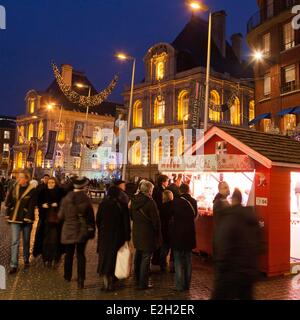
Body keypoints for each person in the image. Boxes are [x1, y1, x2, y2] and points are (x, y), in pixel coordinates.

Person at [212, 189, 261, 300]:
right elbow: (259, 244)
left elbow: (223, 245)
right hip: (249, 271)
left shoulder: (229, 218)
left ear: (233, 200)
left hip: (231, 271)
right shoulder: (252, 217)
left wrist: (220, 265)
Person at [58, 177, 95, 289]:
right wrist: (92, 230)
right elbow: (90, 218)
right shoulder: (86, 200)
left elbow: (60, 216)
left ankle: (67, 276)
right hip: (81, 231)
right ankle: (80, 280)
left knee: (69, 255)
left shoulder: (66, 199)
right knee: (80, 255)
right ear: (84, 187)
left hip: (68, 230)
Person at [96, 186, 131, 291]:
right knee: (114, 258)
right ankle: (112, 279)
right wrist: (127, 237)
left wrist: (102, 229)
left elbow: (98, 220)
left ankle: (105, 279)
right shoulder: (122, 205)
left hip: (105, 235)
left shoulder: (103, 204)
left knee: (104, 257)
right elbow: (126, 223)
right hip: (118, 236)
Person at [131, 180, 162, 289]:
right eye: (152, 190)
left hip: (137, 232)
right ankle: (143, 283)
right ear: (149, 190)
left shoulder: (134, 200)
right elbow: (156, 221)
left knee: (138, 255)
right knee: (146, 258)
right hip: (148, 234)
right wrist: (158, 235)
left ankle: (136, 278)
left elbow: (131, 217)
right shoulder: (150, 202)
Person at [5, 171, 37, 274]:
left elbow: (32, 205)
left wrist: (28, 217)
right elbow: (8, 201)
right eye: (18, 177)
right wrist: (8, 212)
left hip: (26, 219)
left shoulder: (32, 190)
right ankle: (13, 265)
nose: (19, 179)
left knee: (26, 240)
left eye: (21, 177)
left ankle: (26, 258)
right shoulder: (14, 187)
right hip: (15, 218)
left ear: (26, 179)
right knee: (15, 242)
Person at [170, 183, 197, 292]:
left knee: (178, 260)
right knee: (188, 260)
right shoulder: (193, 201)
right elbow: (195, 216)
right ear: (188, 190)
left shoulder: (175, 202)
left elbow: (171, 216)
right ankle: (187, 285)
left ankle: (179, 285)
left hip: (177, 234)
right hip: (189, 234)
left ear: (180, 191)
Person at [41, 177, 64, 267]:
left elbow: (63, 205)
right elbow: (39, 203)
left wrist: (57, 205)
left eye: (52, 182)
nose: (50, 184)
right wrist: (42, 205)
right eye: (49, 182)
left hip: (55, 221)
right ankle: (47, 258)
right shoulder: (43, 192)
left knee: (54, 240)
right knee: (46, 240)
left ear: (55, 183)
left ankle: (54, 258)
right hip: (45, 220)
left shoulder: (59, 193)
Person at [152, 175, 169, 268]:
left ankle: (156, 259)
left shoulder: (157, 189)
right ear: (163, 182)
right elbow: (160, 204)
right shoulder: (160, 191)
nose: (168, 183)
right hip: (161, 218)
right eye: (167, 181)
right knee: (161, 240)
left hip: (159, 217)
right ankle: (158, 260)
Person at [159, 190, 174, 272]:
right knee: (173, 250)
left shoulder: (161, 206)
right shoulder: (174, 206)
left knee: (164, 248)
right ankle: (172, 266)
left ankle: (163, 266)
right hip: (173, 230)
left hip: (164, 229)